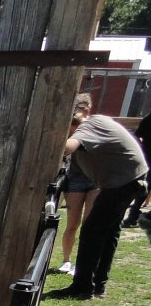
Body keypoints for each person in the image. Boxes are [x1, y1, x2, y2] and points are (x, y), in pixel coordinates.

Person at [50, 103, 149, 299]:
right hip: (128, 179)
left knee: (91, 231)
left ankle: (82, 287)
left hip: (122, 182)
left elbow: (68, 147)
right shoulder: (95, 123)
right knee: (109, 232)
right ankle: (98, 285)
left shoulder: (88, 126)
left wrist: (51, 141)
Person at [57, 94, 99, 273]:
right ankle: (66, 260)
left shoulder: (94, 125)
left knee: (90, 224)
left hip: (95, 177)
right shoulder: (69, 124)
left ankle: (84, 264)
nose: (82, 112)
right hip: (75, 177)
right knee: (72, 224)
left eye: (83, 108)